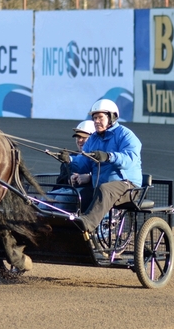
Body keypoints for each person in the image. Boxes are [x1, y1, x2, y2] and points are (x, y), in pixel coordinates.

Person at [58, 99, 142, 233]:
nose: (96, 121)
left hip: (127, 185)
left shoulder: (126, 135)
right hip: (100, 187)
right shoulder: (93, 139)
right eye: (94, 117)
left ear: (112, 117)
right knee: (70, 197)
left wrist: (109, 156)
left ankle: (87, 224)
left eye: (100, 117)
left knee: (104, 190)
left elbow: (130, 158)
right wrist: (69, 160)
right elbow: (83, 163)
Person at [41, 120, 95, 213]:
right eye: (78, 137)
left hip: (90, 193)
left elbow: (104, 175)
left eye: (84, 137)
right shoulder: (70, 157)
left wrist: (89, 177)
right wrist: (70, 179)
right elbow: (61, 181)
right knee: (46, 197)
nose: (79, 140)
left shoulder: (97, 156)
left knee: (62, 198)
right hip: (69, 190)